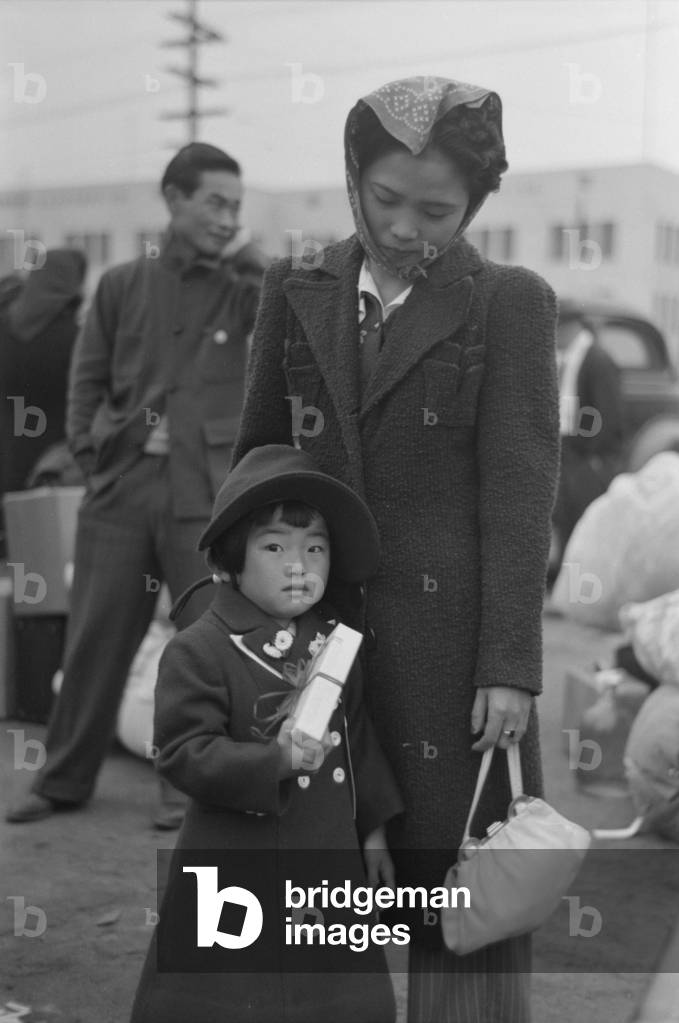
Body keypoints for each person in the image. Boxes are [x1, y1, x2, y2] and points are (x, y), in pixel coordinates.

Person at [231, 77, 560, 1023]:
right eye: (384, 200)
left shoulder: (509, 302)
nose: (405, 229)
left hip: (452, 652)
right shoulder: (296, 290)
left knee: (457, 892)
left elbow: (518, 491)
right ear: (350, 176)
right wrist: (240, 610)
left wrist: (508, 664)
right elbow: (261, 459)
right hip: (315, 633)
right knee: (317, 888)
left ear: (475, 207)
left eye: (436, 211)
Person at [6, 142, 260, 828]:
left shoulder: (244, 290)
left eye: (235, 206)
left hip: (202, 497)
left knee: (202, 645)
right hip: (120, 493)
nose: (225, 217)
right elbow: (85, 382)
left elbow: (282, 333)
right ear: (173, 199)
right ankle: (61, 781)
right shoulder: (122, 285)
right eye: (213, 201)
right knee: (93, 636)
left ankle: (185, 789)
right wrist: (96, 457)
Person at [129, 444, 403, 1023]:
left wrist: (373, 833)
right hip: (237, 862)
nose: (299, 564)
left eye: (316, 548)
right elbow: (182, 753)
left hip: (326, 857)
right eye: (274, 546)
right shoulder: (199, 649)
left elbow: (357, 743)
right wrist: (270, 761)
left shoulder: (335, 642)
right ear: (229, 562)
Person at [0, 250, 87, 546]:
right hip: (55, 476)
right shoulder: (79, 340)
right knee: (44, 571)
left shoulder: (3, 331)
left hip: (6, 462)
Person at [550, 299, 625, 577]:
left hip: (586, 455)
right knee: (563, 518)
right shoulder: (565, 360)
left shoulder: (596, 360)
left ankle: (576, 588)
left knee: (580, 523)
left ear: (570, 329)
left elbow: (604, 412)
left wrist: (591, 452)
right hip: (567, 450)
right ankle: (561, 585)